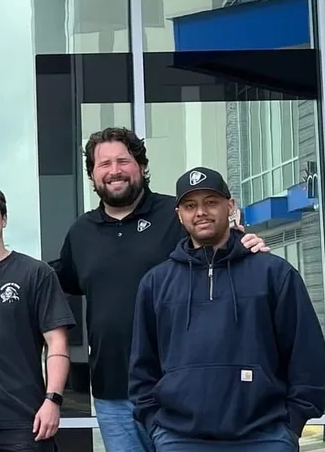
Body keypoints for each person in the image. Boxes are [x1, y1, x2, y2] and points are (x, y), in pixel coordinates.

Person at [48, 127, 269, 452]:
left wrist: (247, 244)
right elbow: (51, 281)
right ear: (92, 175)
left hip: (179, 389)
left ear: (141, 165)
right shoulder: (82, 232)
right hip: (114, 394)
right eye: (104, 164)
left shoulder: (177, 216)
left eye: (123, 161)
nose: (114, 171)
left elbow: (224, 253)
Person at [129, 167, 325, 452]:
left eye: (211, 202)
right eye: (190, 206)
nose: (201, 212)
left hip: (265, 437)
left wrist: (292, 424)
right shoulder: (156, 283)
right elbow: (142, 368)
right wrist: (156, 426)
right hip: (180, 439)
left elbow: (308, 357)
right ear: (179, 215)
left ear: (230, 206)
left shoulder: (273, 274)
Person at [0, 185, 75, 452]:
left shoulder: (36, 273)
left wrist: (53, 400)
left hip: (25, 421)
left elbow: (57, 343)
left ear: (4, 219)